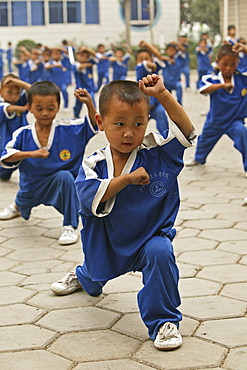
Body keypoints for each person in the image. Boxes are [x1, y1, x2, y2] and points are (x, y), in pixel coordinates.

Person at [50, 74, 195, 350]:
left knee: (160, 253)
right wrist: (126, 180)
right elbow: (88, 200)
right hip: (108, 242)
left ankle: (164, 322)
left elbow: (187, 132)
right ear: (100, 123)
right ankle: (83, 276)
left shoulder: (157, 152)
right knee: (94, 277)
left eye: (138, 124)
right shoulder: (94, 164)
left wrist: (163, 96)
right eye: (119, 124)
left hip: (150, 238)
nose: (129, 133)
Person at [0, 81, 98, 245]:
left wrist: (89, 103)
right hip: (31, 186)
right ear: (29, 107)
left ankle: (70, 225)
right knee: (23, 199)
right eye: (39, 109)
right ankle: (18, 206)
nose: (45, 113)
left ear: (58, 107)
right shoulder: (22, 134)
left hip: (60, 186)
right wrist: (31, 154)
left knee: (65, 177)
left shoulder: (69, 128)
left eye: (50, 108)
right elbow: (6, 157)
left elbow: (93, 125)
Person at [186, 44, 247, 178]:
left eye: (232, 64)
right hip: (215, 121)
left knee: (243, 135)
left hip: (234, 122)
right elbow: (203, 90)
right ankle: (198, 158)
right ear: (218, 62)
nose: (228, 68)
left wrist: (245, 49)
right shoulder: (211, 78)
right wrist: (223, 85)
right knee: (204, 142)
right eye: (225, 64)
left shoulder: (242, 79)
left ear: (237, 63)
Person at [0, 74, 30, 180]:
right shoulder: (2, 105)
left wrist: (15, 81)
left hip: (23, 142)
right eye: (9, 92)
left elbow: (31, 90)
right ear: (1, 92)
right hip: (6, 145)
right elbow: (9, 108)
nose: (13, 96)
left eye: (17, 93)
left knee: (28, 162)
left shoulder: (20, 101)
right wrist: (23, 109)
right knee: (4, 172)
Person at [135, 41, 169, 133]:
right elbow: (145, 64)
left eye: (147, 58)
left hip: (157, 105)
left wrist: (147, 45)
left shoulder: (154, 69)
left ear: (152, 59)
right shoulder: (139, 69)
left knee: (162, 119)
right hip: (143, 108)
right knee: (136, 129)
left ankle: (166, 140)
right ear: (136, 62)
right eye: (141, 59)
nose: (144, 60)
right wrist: (151, 64)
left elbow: (159, 56)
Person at [72, 48, 96, 119]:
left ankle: (94, 116)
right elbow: (79, 67)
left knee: (92, 101)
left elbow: (96, 55)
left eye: (86, 57)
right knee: (78, 104)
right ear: (77, 56)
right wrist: (87, 64)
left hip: (90, 87)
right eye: (82, 56)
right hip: (80, 88)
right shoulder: (75, 65)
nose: (84, 58)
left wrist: (86, 49)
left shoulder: (91, 62)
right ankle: (76, 115)